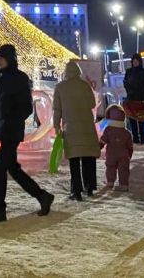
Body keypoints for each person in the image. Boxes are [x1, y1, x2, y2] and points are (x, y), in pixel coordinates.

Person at [0, 44, 54, 224]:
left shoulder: (19, 78)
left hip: (11, 130)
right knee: (13, 168)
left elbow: (27, 107)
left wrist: (11, 118)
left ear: (10, 58)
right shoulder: (1, 77)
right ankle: (42, 196)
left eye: (1, 58)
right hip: (4, 129)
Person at [53, 61, 101, 201]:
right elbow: (92, 103)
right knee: (88, 157)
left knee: (74, 160)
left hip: (71, 127)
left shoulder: (60, 87)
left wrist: (57, 126)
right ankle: (90, 187)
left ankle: (76, 191)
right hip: (86, 126)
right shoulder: (84, 85)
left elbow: (57, 109)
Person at [99, 104, 133, 191]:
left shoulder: (108, 130)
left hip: (111, 154)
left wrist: (99, 146)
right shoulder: (126, 132)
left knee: (110, 167)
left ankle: (110, 182)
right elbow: (129, 145)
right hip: (124, 155)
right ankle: (124, 184)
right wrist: (129, 154)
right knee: (124, 169)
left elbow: (103, 140)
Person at [123, 53, 144, 144]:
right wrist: (129, 91)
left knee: (141, 118)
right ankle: (135, 137)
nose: (135, 63)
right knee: (132, 118)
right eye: (134, 61)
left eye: (137, 61)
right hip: (131, 98)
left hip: (141, 98)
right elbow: (125, 83)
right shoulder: (129, 72)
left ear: (140, 62)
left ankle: (142, 138)